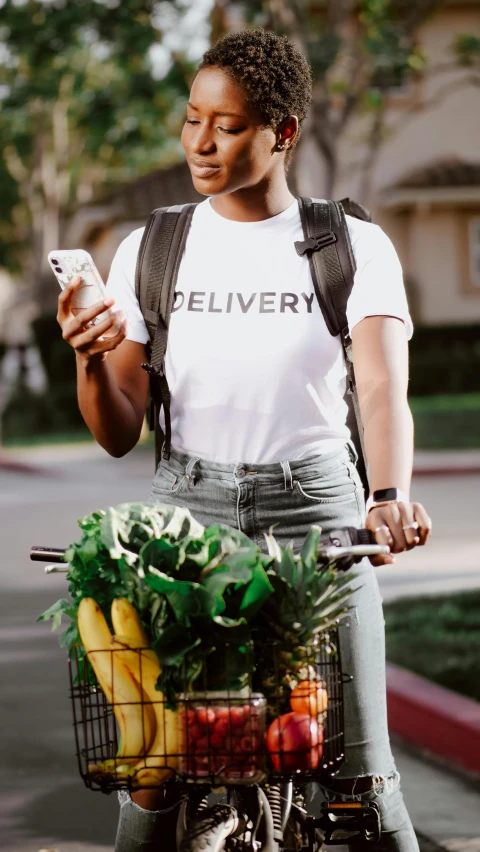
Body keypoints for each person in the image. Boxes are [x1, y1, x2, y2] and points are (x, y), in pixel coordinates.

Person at [57, 27, 431, 852]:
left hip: (321, 517)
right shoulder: (152, 248)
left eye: (225, 126)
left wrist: (389, 497)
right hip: (188, 523)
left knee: (366, 780)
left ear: (282, 132)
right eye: (192, 118)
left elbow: (380, 389)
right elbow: (119, 426)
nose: (199, 142)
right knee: (156, 776)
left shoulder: (350, 246)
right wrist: (89, 359)